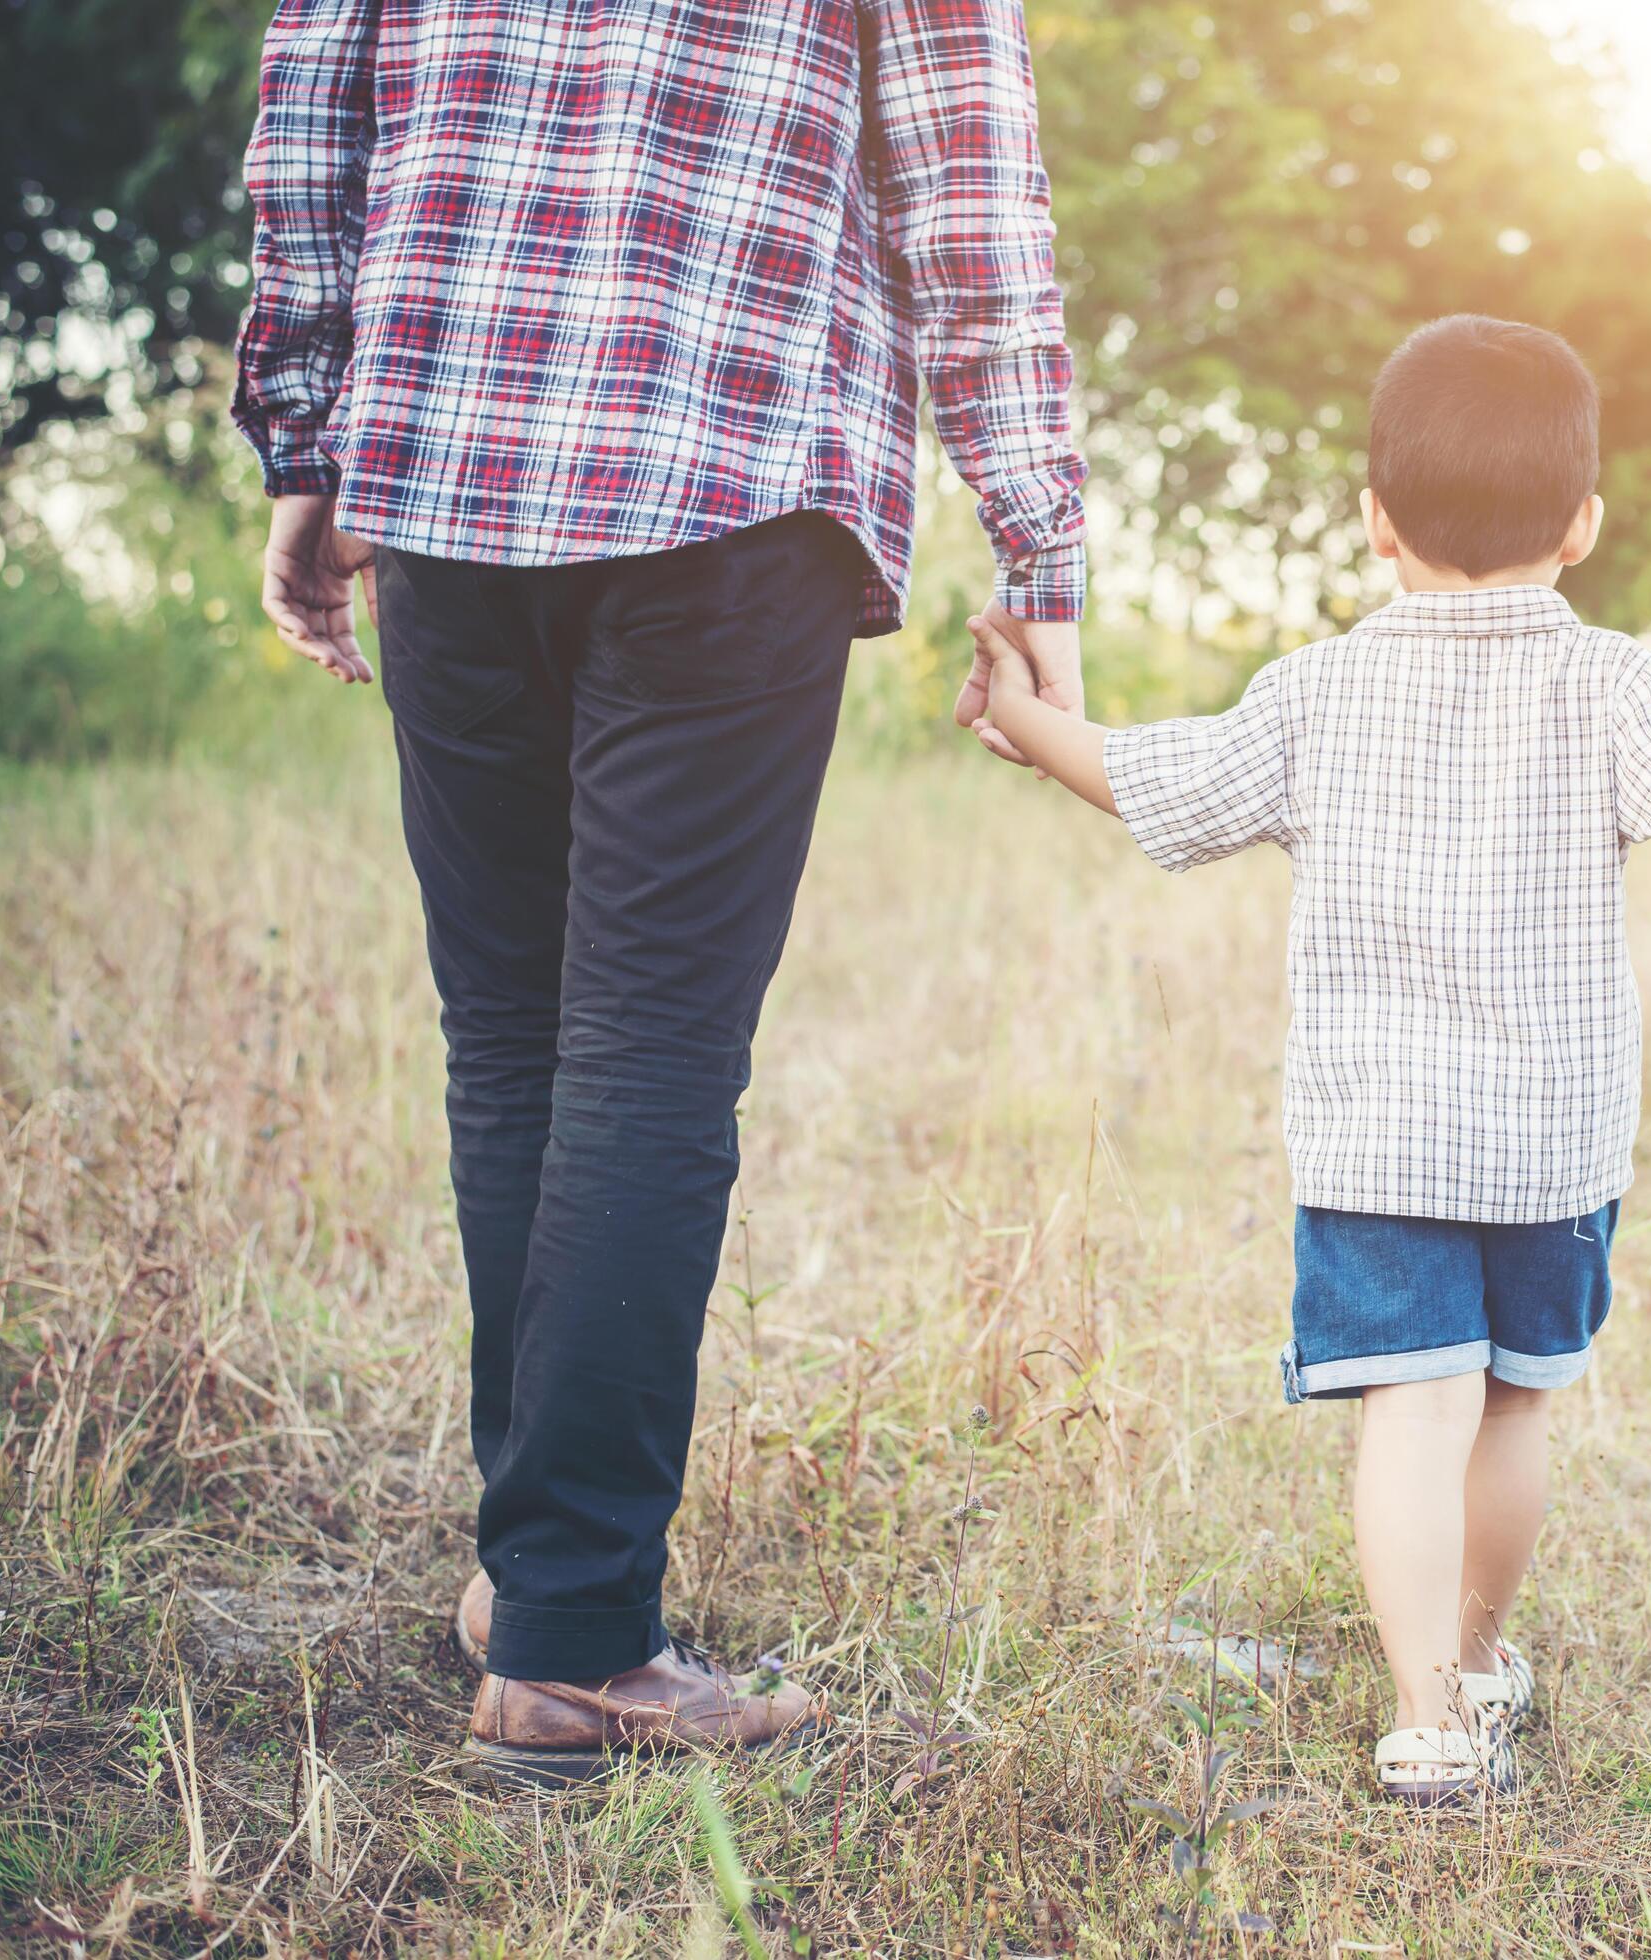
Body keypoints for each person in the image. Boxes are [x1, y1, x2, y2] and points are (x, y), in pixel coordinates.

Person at [230, 0, 1089, 1787]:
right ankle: (571, 1643)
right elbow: (968, 185)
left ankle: (533, 1572)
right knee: (642, 1059)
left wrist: (308, 444)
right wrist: (1041, 542)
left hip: (450, 461)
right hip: (731, 462)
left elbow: (309, 121)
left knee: (518, 1049)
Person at [964, 315, 1651, 1804]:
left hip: (1377, 1142)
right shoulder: (1620, 685)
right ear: (1582, 526)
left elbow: (1143, 781)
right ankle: (1479, 1663)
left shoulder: (1312, 691)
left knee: (1410, 1410)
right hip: (1549, 1143)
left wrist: (1020, 714)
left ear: (1374, 524)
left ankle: (1425, 1717)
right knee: (1511, 1406)